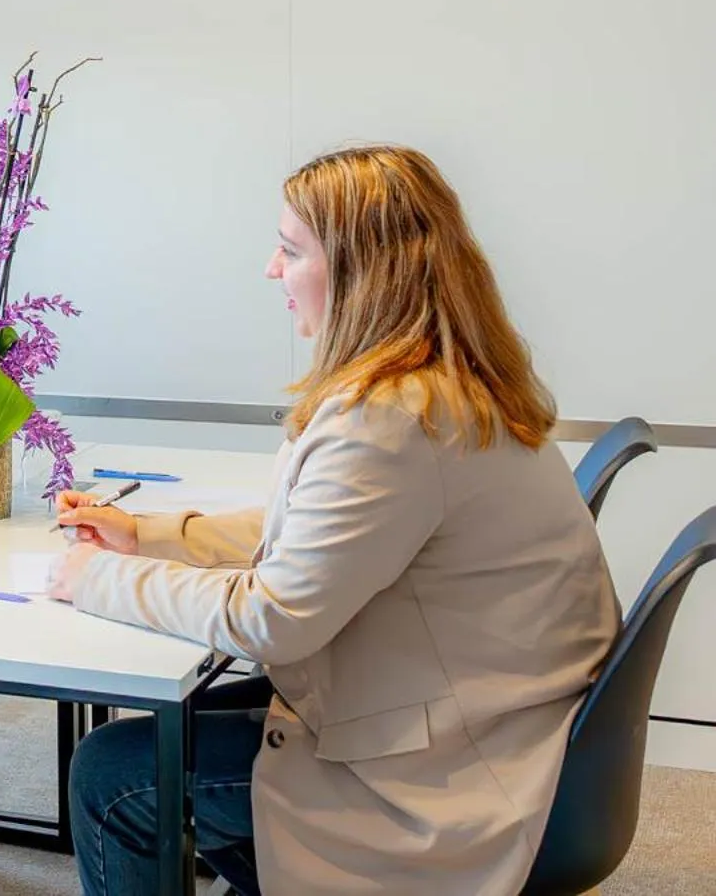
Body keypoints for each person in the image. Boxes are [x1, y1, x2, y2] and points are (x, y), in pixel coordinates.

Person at [51, 145, 619, 896]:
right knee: (174, 723)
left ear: (360, 270)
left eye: (290, 250)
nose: (270, 269)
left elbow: (273, 617)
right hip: (495, 715)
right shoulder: (449, 381)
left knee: (116, 772)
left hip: (447, 767)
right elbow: (317, 532)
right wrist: (151, 534)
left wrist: (97, 578)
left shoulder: (391, 417)